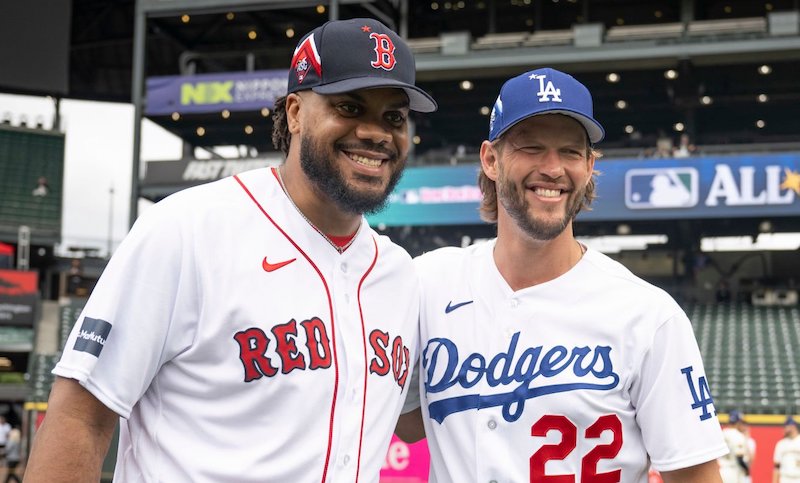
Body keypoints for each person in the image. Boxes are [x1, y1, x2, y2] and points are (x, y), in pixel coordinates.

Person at [24, 17, 436, 482]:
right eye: (349, 106)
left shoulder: (399, 274)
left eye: (394, 117)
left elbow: (410, 417)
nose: (376, 133)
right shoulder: (188, 229)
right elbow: (80, 416)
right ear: (296, 112)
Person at [396, 67, 728, 482]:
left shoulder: (648, 314)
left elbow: (695, 474)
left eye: (570, 152)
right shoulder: (427, 283)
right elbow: (409, 423)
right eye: (531, 147)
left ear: (590, 165)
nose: (552, 168)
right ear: (491, 159)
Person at [719, 410, 756, 483]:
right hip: (734, 472)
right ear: (738, 422)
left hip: (722, 470)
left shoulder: (722, 433)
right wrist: (746, 469)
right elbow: (740, 458)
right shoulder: (738, 435)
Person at [773, 416, 800, 483]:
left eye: (786, 426)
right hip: (785, 478)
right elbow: (776, 466)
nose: (784, 429)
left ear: (792, 427)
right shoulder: (781, 444)